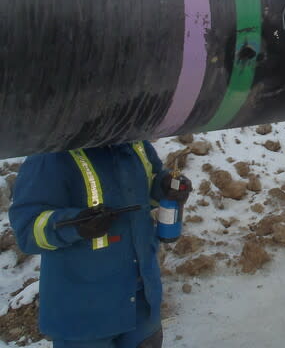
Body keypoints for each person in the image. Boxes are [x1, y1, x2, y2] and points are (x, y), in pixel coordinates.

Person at [9, 141, 192, 348]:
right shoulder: (50, 156)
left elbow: (146, 189)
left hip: (142, 304)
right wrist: (77, 225)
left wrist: (166, 187)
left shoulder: (135, 144)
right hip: (84, 317)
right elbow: (27, 229)